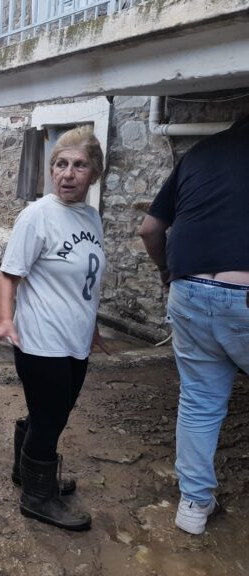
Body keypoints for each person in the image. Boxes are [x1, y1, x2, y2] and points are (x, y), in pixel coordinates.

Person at [0, 125, 107, 531]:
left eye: (79, 165)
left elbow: (90, 277)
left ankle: (25, 471)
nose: (68, 173)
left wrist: (93, 324)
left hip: (75, 338)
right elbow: (8, 276)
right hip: (40, 340)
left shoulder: (91, 218)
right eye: (61, 164)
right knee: (51, 419)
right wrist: (5, 320)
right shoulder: (37, 216)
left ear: (94, 173)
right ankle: (37, 497)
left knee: (51, 412)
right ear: (51, 171)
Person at [139, 115, 249, 536]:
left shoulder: (200, 153)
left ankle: (193, 504)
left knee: (200, 400)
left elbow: (150, 229)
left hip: (188, 290)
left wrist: (168, 270)